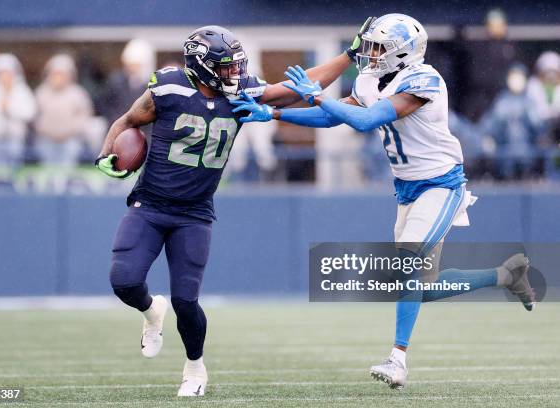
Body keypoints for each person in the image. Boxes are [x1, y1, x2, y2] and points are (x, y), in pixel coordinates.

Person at [231, 13, 535, 389]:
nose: (371, 54)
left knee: (409, 264)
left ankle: (397, 360)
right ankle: (506, 275)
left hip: (440, 184)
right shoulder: (371, 78)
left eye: (380, 47)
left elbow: (366, 120)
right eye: (371, 46)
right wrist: (275, 112)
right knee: (422, 285)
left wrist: (317, 96)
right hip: (407, 189)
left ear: (404, 53)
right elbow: (334, 118)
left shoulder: (424, 80)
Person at [94, 25, 361, 396]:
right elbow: (127, 120)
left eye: (236, 66)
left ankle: (195, 369)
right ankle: (151, 311)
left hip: (194, 213)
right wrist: (107, 153)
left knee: (186, 301)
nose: (234, 73)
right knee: (123, 281)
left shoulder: (242, 92)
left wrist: (348, 55)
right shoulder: (168, 87)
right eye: (225, 67)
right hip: (151, 204)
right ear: (201, 66)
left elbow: (297, 89)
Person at [480, 64, 544, 179]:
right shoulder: (502, 100)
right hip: (505, 152)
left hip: (526, 152)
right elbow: (489, 124)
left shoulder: (529, 101)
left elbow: (538, 125)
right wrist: (487, 137)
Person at [34, 54, 93, 167]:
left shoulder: (78, 94)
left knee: (67, 172)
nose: (58, 77)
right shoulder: (41, 93)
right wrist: (43, 128)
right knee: (47, 172)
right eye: (55, 74)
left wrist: (71, 129)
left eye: (62, 74)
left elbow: (85, 116)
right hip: (46, 140)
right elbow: (34, 116)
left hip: (70, 140)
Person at [0, 53, 36, 168]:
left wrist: (9, 108)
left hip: (14, 139)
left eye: (8, 73)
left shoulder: (21, 90)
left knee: (13, 172)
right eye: (1, 73)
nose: (5, 76)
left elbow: (30, 112)